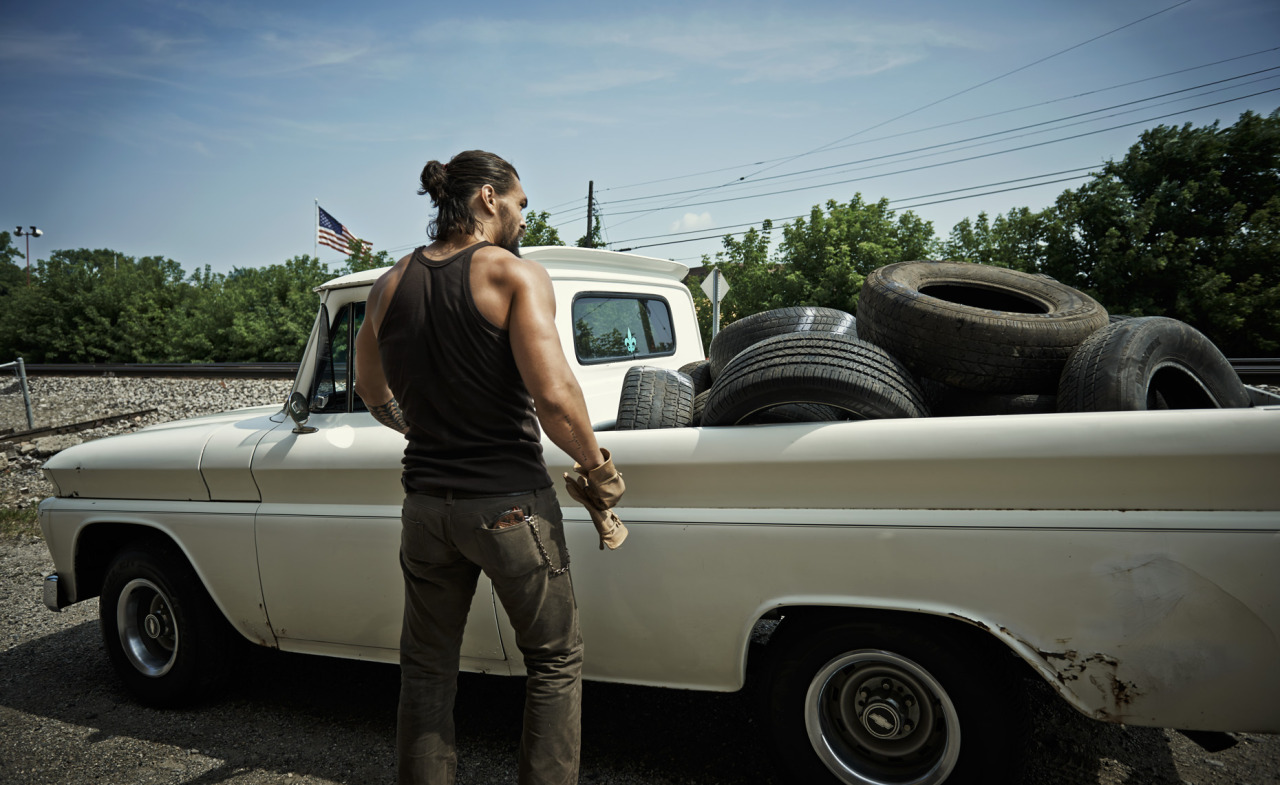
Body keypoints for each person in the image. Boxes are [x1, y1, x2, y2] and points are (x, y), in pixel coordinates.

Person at [353, 149, 626, 785]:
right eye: (521, 204)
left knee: (427, 668)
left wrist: (414, 428)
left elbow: (370, 390)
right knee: (554, 661)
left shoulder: (388, 285)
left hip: (425, 508)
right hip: (510, 506)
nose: (524, 218)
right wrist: (598, 470)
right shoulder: (513, 274)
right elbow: (554, 397)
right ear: (487, 197)